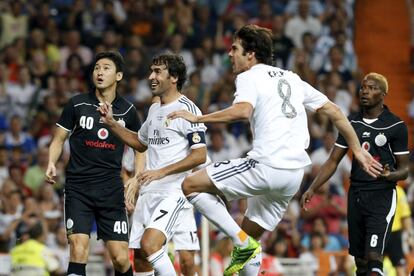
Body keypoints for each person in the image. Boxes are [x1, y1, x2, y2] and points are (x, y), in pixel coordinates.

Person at [167, 24, 382, 276]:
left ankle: (241, 241)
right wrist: (356, 148)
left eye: (234, 48)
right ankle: (245, 244)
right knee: (249, 244)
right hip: (292, 178)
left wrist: (197, 119)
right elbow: (334, 110)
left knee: (190, 185)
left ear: (251, 54)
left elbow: (242, 111)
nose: (229, 54)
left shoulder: (248, 76)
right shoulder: (291, 77)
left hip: (265, 166)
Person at [98, 53, 207, 276]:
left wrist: (160, 172)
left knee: (159, 249)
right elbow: (140, 142)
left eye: (157, 72)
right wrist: (111, 124)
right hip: (149, 193)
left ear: (174, 77)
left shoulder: (189, 110)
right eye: (151, 71)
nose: (151, 77)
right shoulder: (155, 110)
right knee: (140, 257)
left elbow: (200, 156)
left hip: (174, 192)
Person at [301, 72, 409, 276]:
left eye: (372, 88)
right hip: (356, 194)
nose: (365, 91)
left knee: (374, 257)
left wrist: (389, 175)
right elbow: (333, 160)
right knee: (359, 262)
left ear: (383, 94)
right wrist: (312, 187)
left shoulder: (396, 126)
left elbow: (405, 169)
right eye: (363, 87)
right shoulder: (350, 123)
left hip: (382, 195)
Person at [45, 51, 141, 276]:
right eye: (97, 67)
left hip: (111, 191)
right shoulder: (77, 104)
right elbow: (58, 139)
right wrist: (51, 162)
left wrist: (136, 178)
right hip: (79, 189)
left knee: (119, 257)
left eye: (106, 68)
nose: (99, 71)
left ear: (118, 76)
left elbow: (140, 146)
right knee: (78, 250)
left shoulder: (128, 111)